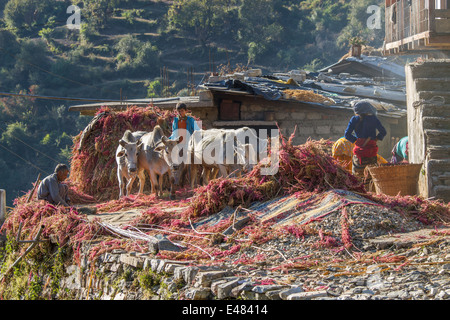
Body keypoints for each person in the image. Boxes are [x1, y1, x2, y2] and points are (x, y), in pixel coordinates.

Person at [344, 101, 387, 184]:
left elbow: (347, 134)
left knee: (358, 177)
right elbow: (383, 132)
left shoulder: (354, 119)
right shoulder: (374, 119)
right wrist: (377, 139)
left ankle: (360, 192)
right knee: (371, 176)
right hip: (371, 152)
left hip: (359, 153)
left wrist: (357, 141)